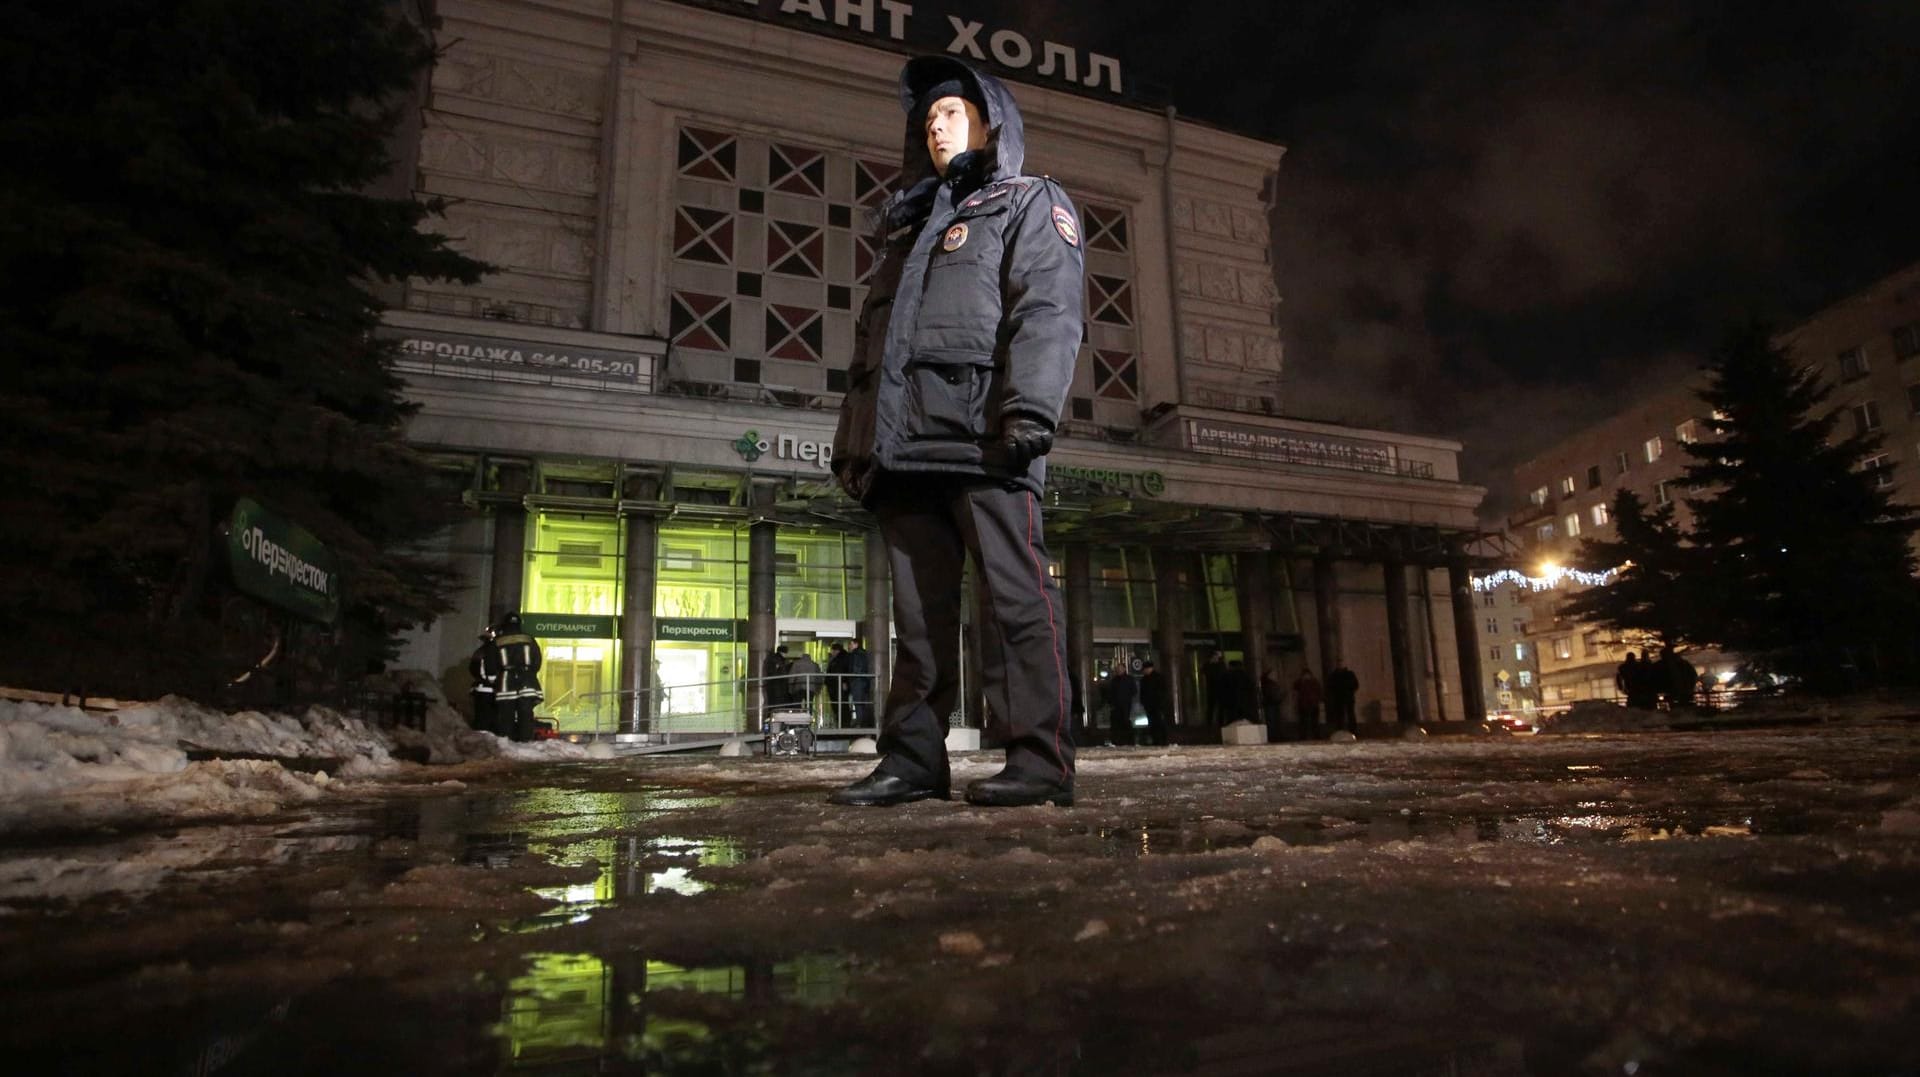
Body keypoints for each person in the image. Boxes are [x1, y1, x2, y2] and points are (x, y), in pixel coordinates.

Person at [828, 55, 1085, 808]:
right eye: (928, 117)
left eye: (954, 112)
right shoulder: (906, 234)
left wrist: (1029, 412)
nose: (938, 126)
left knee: (1017, 604)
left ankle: (1040, 761)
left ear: (989, 120)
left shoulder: (1029, 201)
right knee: (918, 622)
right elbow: (872, 354)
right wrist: (857, 444)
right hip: (905, 451)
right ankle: (912, 760)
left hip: (986, 443)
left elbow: (1047, 309)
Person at [492, 612, 543, 742]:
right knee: (526, 715)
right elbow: (537, 661)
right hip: (527, 681)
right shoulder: (529, 639)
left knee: (506, 716)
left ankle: (507, 744)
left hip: (506, 683)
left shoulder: (498, 641)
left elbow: (491, 665)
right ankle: (525, 744)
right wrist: (530, 673)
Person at [466, 627, 500, 732]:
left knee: (480, 720)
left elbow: (472, 669)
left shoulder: (479, 652)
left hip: (479, 690)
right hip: (491, 691)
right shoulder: (494, 652)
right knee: (490, 722)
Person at [1102, 664, 1138, 747]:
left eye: (1120, 668)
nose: (1119, 670)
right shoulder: (1114, 680)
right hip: (1116, 705)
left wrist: (1126, 697)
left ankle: (1128, 740)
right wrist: (1111, 702)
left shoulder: (1129, 679)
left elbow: (1134, 691)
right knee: (1117, 723)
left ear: (1124, 669)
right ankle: (1118, 740)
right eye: (1117, 669)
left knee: (1125, 721)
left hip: (1125, 705)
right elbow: (1110, 693)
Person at [1137, 659, 1170, 747]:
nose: (1144, 671)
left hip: (1157, 704)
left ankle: (1162, 740)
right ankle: (1156, 740)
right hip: (1149, 705)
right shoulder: (1145, 679)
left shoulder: (1158, 677)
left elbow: (1162, 691)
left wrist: (1160, 702)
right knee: (1152, 723)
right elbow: (1143, 692)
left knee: (1159, 722)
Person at [846, 639, 875, 727]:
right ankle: (864, 722)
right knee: (862, 703)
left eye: (851, 644)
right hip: (863, 681)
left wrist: (852, 678)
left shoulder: (856, 655)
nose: (849, 646)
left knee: (858, 702)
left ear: (856, 644)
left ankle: (860, 723)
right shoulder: (863, 654)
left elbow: (856, 668)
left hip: (857, 681)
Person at [789, 648, 824, 716]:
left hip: (798, 687)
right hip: (811, 688)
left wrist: (790, 689)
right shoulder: (815, 665)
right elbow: (819, 678)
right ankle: (808, 719)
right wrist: (818, 689)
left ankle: (797, 719)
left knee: (797, 705)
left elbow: (791, 677)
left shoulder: (796, 663)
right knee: (809, 705)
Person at [1326, 664, 1359, 735]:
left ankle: (1353, 730)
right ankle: (1340, 730)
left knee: (1350, 714)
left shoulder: (1349, 674)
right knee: (1339, 715)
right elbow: (1329, 686)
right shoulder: (1334, 675)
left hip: (1348, 697)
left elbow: (1355, 685)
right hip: (1338, 698)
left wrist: (1348, 689)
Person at [1292, 667, 1323, 741]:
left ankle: (1313, 735)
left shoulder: (1313, 683)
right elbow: (1295, 693)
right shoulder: (1301, 683)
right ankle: (1306, 736)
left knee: (1312, 722)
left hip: (1310, 704)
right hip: (1305, 705)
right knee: (1305, 722)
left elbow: (1318, 692)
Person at [825, 642, 851, 725]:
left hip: (838, 685)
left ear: (837, 650)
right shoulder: (837, 659)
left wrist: (844, 681)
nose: (832, 652)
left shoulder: (842, 658)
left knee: (841, 704)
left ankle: (844, 722)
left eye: (833, 650)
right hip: (835, 685)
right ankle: (841, 721)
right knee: (839, 704)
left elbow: (843, 670)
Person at [1260, 667, 1285, 743]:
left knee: (1276, 721)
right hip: (1270, 704)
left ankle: (1276, 736)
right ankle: (1273, 737)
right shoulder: (1267, 683)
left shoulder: (1273, 683)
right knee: (1271, 721)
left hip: (1275, 703)